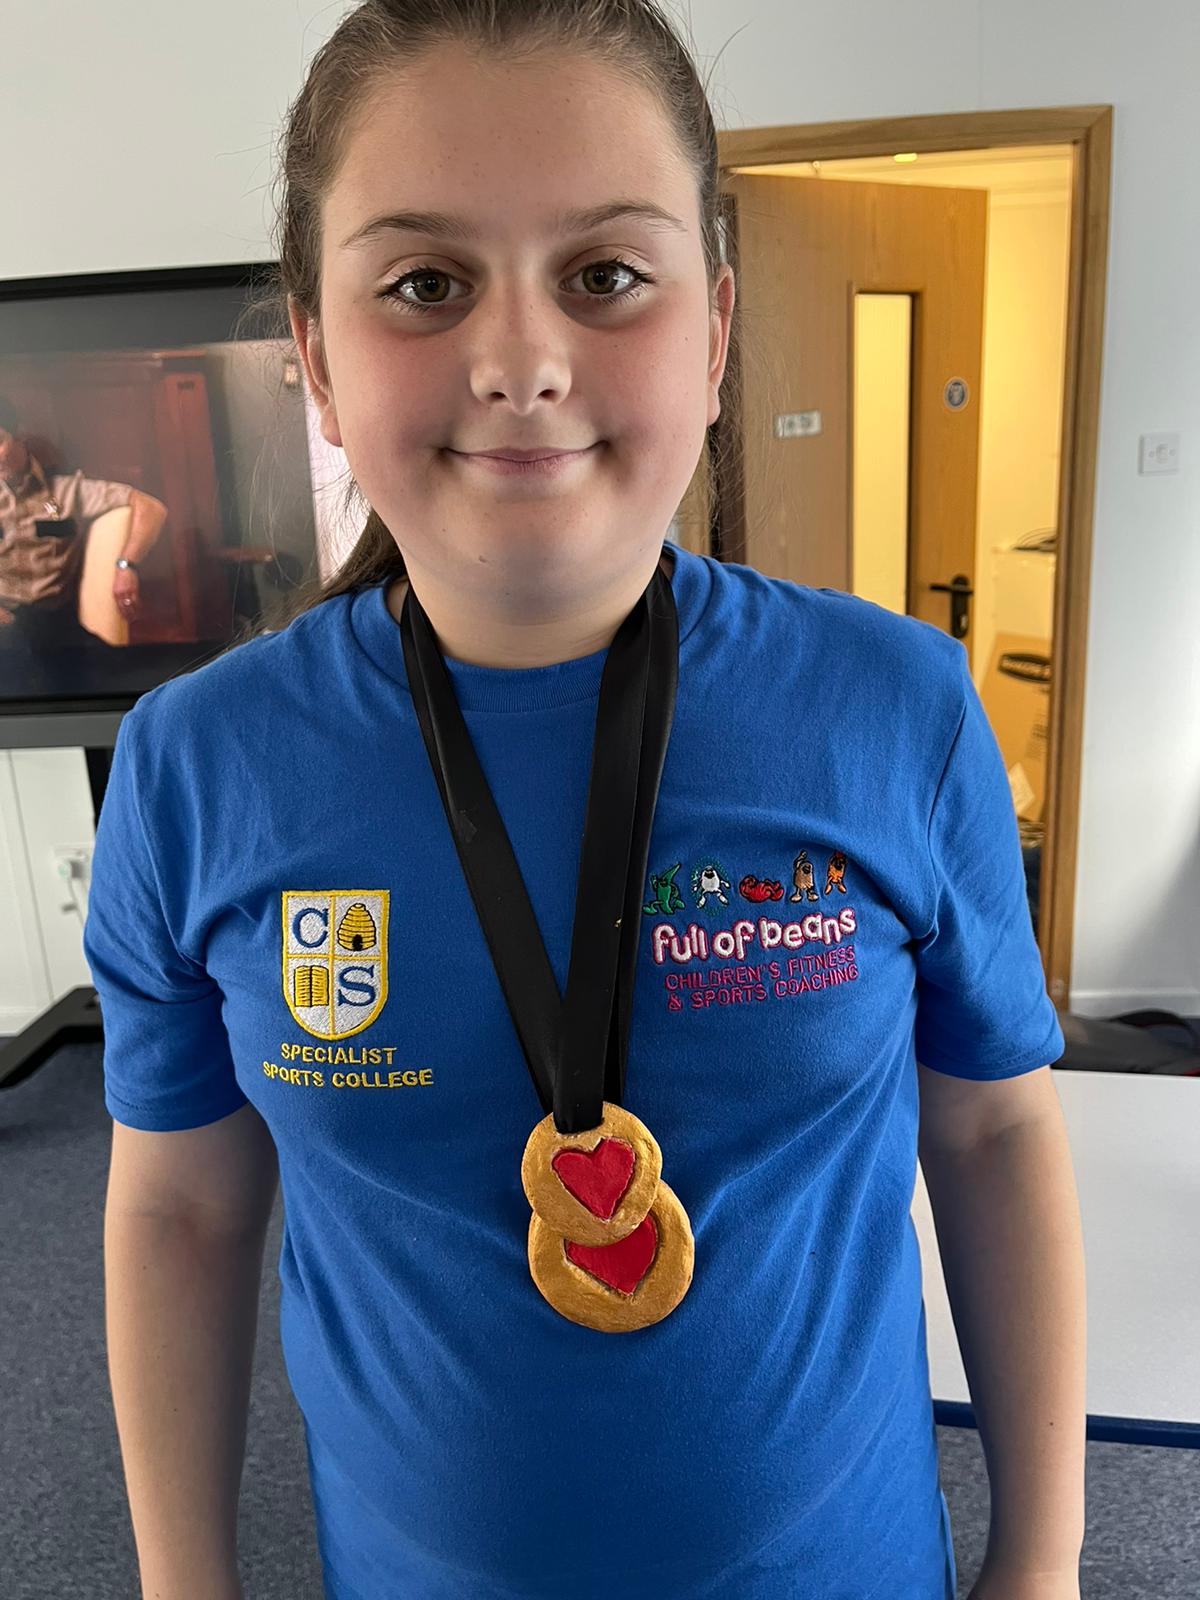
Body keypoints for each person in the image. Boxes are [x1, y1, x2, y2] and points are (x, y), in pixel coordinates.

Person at [84, 4, 1086, 1599]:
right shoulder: (198, 766)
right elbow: (185, 1212)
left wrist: (1044, 1558)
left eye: (607, 275)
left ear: (717, 328)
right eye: (423, 283)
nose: (520, 361)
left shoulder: (895, 708)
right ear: (318, 361)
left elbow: (995, 1126)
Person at [0, 396, 163, 652]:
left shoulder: (68, 489)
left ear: (19, 438)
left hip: (55, 623)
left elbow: (151, 507)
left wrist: (126, 565)